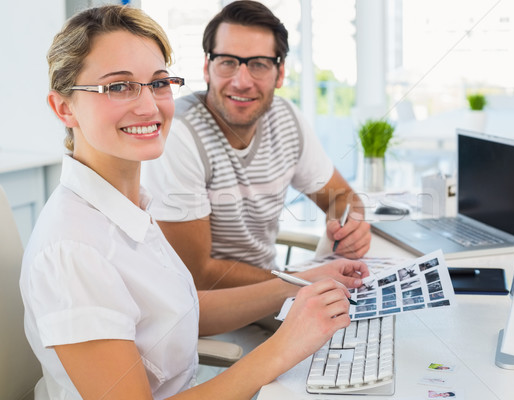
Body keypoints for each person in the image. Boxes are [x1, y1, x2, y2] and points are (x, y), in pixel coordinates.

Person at [19, 5, 369, 399]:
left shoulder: (126, 209)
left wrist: (297, 285)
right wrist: (283, 348)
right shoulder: (74, 250)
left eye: (158, 83)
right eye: (118, 86)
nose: (149, 106)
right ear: (63, 107)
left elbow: (179, 312)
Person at [142, 0, 372, 290]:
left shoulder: (286, 119)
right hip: (210, 317)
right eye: (227, 62)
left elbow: (341, 197)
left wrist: (351, 226)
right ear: (206, 67)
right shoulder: (179, 133)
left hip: (274, 294)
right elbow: (197, 276)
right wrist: (303, 283)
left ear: (280, 73)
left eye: (259, 65)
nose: (241, 81)